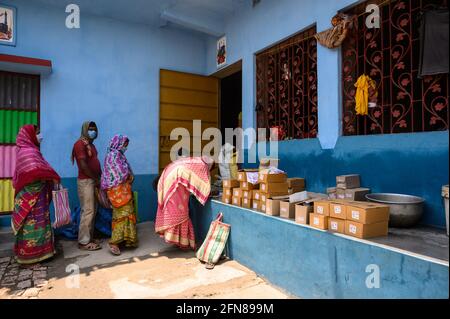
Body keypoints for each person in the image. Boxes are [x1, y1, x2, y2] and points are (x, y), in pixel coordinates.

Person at [12, 125, 60, 267]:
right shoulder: (28, 152)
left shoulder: (30, 151)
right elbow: (35, 172)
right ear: (30, 135)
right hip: (30, 195)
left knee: (41, 222)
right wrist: (51, 175)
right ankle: (28, 257)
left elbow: (40, 169)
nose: (41, 136)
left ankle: (42, 253)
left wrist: (49, 176)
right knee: (30, 225)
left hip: (38, 195)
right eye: (38, 133)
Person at [155, 156, 215, 250]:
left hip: (170, 179)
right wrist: (206, 193)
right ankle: (184, 242)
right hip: (176, 182)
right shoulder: (202, 165)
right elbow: (203, 183)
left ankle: (178, 240)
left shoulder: (194, 161)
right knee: (181, 211)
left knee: (174, 208)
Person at [100, 134, 137, 255]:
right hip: (117, 191)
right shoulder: (114, 155)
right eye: (125, 145)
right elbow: (120, 173)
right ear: (118, 143)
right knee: (122, 214)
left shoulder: (119, 155)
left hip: (122, 190)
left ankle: (126, 239)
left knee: (125, 213)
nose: (126, 147)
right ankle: (114, 242)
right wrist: (129, 176)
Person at [71, 121, 102, 251]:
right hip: (86, 182)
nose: (92, 131)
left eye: (94, 129)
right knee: (87, 211)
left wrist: (99, 178)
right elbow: (83, 165)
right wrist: (95, 178)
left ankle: (89, 237)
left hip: (93, 181)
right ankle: (83, 242)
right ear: (84, 130)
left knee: (93, 210)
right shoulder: (80, 144)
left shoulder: (91, 145)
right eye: (90, 129)